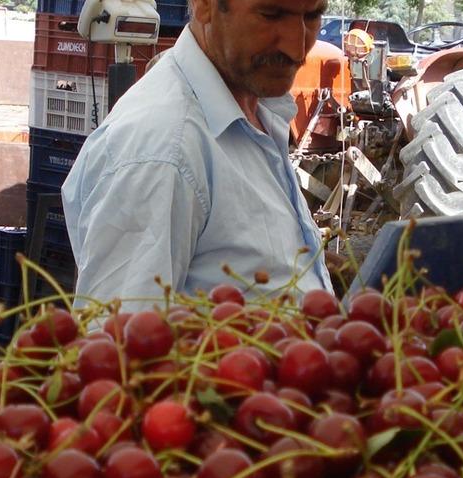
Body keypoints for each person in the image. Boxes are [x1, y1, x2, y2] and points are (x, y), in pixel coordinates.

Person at [61, 0, 334, 309]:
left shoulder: (254, 110)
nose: (297, 47)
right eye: (271, 15)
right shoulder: (163, 151)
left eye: (313, 15)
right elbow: (123, 334)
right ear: (205, 5)